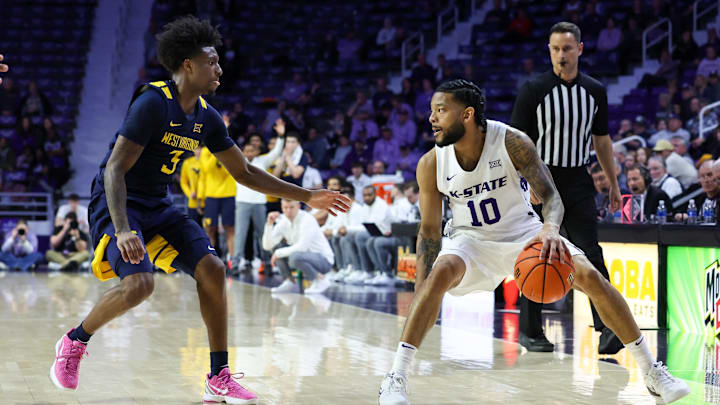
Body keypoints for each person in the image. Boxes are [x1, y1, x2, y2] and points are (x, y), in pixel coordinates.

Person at [48, 17, 349, 404]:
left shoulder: (205, 115)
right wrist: (123, 229)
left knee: (213, 268)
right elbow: (114, 169)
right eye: (212, 62)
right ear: (188, 65)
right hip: (118, 204)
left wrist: (307, 195)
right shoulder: (152, 103)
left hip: (158, 204)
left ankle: (217, 376)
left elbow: (243, 171)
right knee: (141, 285)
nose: (219, 70)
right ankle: (74, 341)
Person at [377, 79, 689, 405]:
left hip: (524, 234)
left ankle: (651, 370)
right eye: (432, 111)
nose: (432, 119)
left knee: (589, 275)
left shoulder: (511, 141)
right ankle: (396, 377)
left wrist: (551, 228)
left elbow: (552, 196)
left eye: (440, 110)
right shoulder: (431, 163)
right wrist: (421, 289)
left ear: (467, 114)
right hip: (470, 240)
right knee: (439, 273)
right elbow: (429, 232)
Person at [510, 22, 621, 354]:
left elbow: (602, 140)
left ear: (580, 49)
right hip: (542, 179)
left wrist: (613, 183)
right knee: (536, 253)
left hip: (578, 180)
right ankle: (530, 331)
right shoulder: (533, 89)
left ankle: (609, 325)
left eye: (567, 48)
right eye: (556, 49)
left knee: (590, 252)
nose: (561, 55)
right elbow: (515, 143)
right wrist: (524, 182)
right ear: (549, 50)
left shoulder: (595, 91)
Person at [233, 119, 286, 272]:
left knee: (263, 234)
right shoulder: (237, 161)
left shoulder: (263, 161)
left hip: (259, 202)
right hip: (242, 202)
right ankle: (235, 264)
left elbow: (276, 152)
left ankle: (268, 263)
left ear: (257, 151)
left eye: (252, 151)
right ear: (242, 152)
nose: (249, 153)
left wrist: (281, 136)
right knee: (240, 234)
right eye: (247, 151)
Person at [262, 199, 335, 294]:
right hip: (303, 257)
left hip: (324, 261)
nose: (288, 211)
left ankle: (320, 280)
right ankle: (289, 281)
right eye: (285, 208)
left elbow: (302, 247)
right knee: (278, 248)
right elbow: (267, 246)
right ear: (282, 208)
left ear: (298, 207)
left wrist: (278, 253)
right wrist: (269, 225)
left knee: (293, 256)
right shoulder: (283, 221)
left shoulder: (307, 219)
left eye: (291, 207)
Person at [343, 185, 392, 284]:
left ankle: (373, 270)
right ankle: (359, 269)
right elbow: (364, 225)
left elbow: (377, 226)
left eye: (369, 195)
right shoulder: (365, 206)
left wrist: (349, 229)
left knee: (361, 237)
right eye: (364, 195)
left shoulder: (381, 205)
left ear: (375, 194)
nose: (367, 198)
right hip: (372, 233)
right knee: (348, 237)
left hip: (385, 233)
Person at [198, 145, 236, 263]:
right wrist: (200, 198)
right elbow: (206, 169)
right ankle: (211, 259)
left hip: (229, 194)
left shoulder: (230, 147)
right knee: (210, 229)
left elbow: (230, 169)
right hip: (211, 195)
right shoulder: (205, 151)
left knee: (230, 228)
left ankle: (232, 261)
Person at [179, 147, 203, 226]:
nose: (199, 151)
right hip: (193, 202)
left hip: (208, 201)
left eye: (201, 149)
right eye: (197, 149)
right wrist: (189, 193)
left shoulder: (208, 162)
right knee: (194, 228)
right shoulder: (188, 163)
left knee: (210, 230)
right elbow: (183, 181)